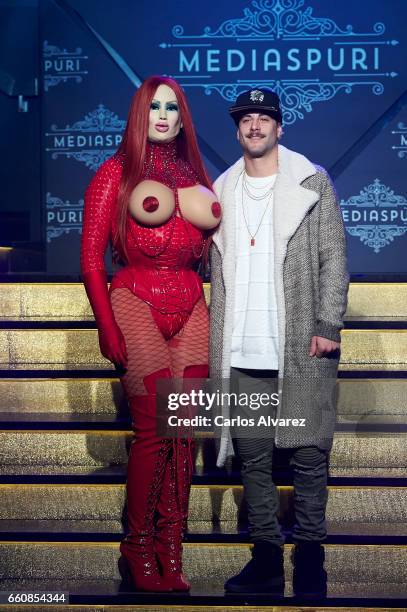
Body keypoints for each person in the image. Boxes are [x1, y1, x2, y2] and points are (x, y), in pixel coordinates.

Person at [80, 75, 221, 592]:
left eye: (173, 108)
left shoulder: (194, 175)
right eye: (154, 107)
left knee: (184, 433)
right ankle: (136, 544)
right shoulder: (114, 173)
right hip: (135, 298)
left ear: (183, 118)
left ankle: (170, 544)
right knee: (155, 429)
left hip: (191, 302)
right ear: (140, 114)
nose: (163, 115)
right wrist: (105, 321)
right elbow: (92, 258)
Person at [209, 88, 349, 598]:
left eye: (263, 118)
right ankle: (266, 559)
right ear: (237, 130)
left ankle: (311, 559)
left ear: (280, 128)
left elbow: (333, 257)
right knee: (254, 459)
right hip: (241, 347)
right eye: (246, 119)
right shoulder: (219, 191)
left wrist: (328, 323)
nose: (254, 126)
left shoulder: (312, 182)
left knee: (310, 456)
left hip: (299, 344)